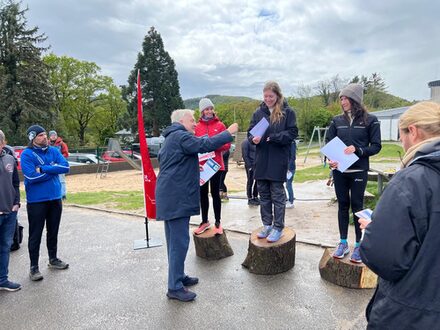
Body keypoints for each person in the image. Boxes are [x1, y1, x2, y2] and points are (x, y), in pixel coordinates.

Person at [359, 101, 440, 328]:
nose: (401, 143)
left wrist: (375, 231)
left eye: (400, 136)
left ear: (412, 131)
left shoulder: (411, 181)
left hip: (411, 312)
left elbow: (384, 259)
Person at [155, 109, 238, 302]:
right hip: (175, 197)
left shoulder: (172, 137)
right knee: (179, 242)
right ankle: (175, 287)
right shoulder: (180, 136)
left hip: (171, 195)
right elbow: (205, 144)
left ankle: (178, 276)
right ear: (181, 121)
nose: (195, 123)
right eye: (192, 120)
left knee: (174, 241)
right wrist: (228, 133)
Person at [325, 83, 381, 263]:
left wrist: (358, 150)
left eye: (345, 98)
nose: (342, 101)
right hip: (340, 171)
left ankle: (359, 245)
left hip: (359, 170)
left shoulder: (371, 120)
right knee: (342, 205)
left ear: (355, 99)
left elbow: (376, 146)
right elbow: (328, 144)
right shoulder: (336, 121)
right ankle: (343, 243)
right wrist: (330, 161)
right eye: (341, 98)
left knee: (357, 206)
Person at [247, 81, 298, 243]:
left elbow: (292, 133)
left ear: (277, 95)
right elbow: (250, 132)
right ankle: (267, 224)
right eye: (265, 96)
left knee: (277, 195)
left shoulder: (287, 112)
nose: (268, 99)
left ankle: (278, 227)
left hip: (278, 159)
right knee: (264, 194)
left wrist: (274, 138)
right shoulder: (258, 113)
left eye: (271, 96)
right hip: (261, 160)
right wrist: (252, 139)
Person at [20, 125, 70, 281]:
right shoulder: (27, 154)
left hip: (55, 198)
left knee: (53, 231)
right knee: (35, 234)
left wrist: (42, 169)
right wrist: (53, 169)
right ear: (32, 138)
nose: (45, 138)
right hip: (37, 201)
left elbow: (65, 167)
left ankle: (53, 259)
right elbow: (31, 177)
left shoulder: (54, 150)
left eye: (45, 134)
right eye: (40, 135)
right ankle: (34, 267)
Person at [194, 98, 231, 235]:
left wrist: (214, 145)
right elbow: (194, 145)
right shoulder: (197, 127)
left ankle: (218, 222)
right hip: (202, 166)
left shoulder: (220, 125)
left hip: (216, 165)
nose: (209, 111)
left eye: (211, 108)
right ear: (202, 111)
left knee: (216, 193)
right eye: (206, 109)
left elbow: (227, 144)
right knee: (202, 194)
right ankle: (204, 221)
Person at [0, 130, 21, 292]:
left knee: (5, 246)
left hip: (9, 212)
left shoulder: (9, 159)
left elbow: (15, 183)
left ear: (3, 143)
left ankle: (2, 279)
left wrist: (16, 203)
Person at [48, 130, 69, 199]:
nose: (53, 136)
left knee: (61, 180)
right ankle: (55, 194)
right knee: (52, 179)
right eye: (52, 135)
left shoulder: (62, 144)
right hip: (51, 164)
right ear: (50, 136)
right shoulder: (47, 144)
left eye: (54, 135)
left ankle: (63, 195)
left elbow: (66, 153)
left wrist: (59, 159)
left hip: (60, 164)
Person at [241, 139, 259, 205]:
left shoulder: (256, 141)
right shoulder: (246, 142)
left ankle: (255, 196)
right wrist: (249, 166)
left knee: (257, 181)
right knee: (250, 181)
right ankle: (250, 198)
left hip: (257, 164)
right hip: (250, 165)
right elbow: (244, 155)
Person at [285, 141, 296, 208]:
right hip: (285, 167)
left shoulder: (292, 143)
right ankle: (286, 199)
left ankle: (291, 201)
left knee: (288, 184)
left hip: (290, 168)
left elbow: (293, 157)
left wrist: (288, 168)